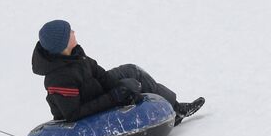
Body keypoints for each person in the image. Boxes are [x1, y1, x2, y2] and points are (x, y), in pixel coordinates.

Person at [31, 19, 204, 124]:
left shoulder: (75, 55)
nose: (74, 32)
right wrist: (115, 97)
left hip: (94, 90)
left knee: (131, 71)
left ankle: (175, 108)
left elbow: (100, 74)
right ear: (62, 45)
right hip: (86, 105)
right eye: (70, 33)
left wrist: (118, 87)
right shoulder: (59, 79)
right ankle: (162, 115)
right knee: (129, 85)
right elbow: (73, 114)